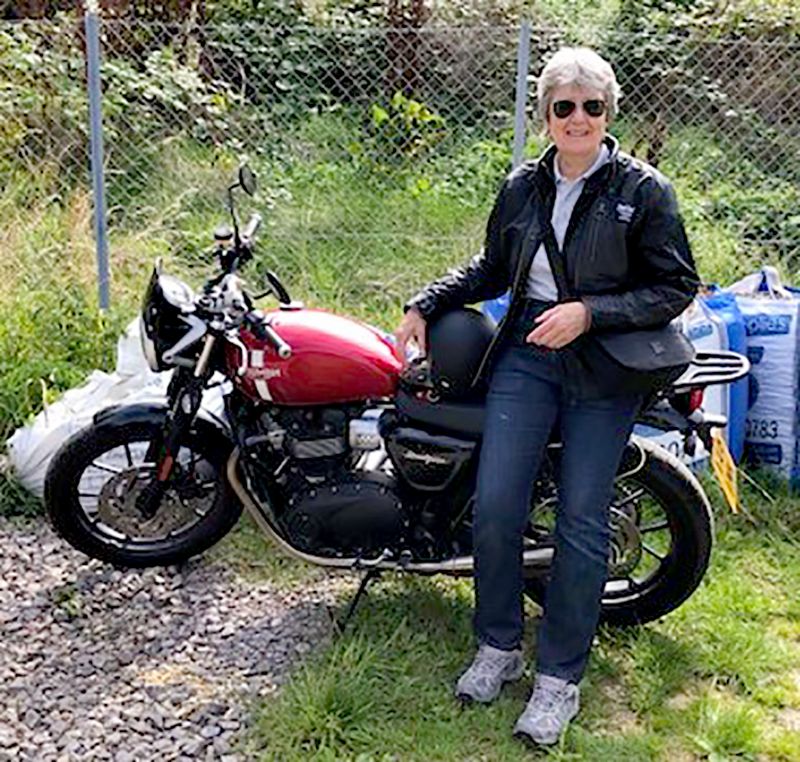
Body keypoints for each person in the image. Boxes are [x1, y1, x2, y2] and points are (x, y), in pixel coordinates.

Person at [395, 47, 699, 745]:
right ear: (545, 115)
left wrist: (590, 312)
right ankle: (498, 646)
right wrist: (426, 300)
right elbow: (493, 267)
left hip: (604, 366)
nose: (578, 118)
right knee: (497, 508)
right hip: (529, 354)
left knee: (582, 521)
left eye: (592, 106)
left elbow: (675, 286)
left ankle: (559, 680)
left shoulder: (643, 190)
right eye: (564, 106)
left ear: (608, 113)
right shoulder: (523, 186)